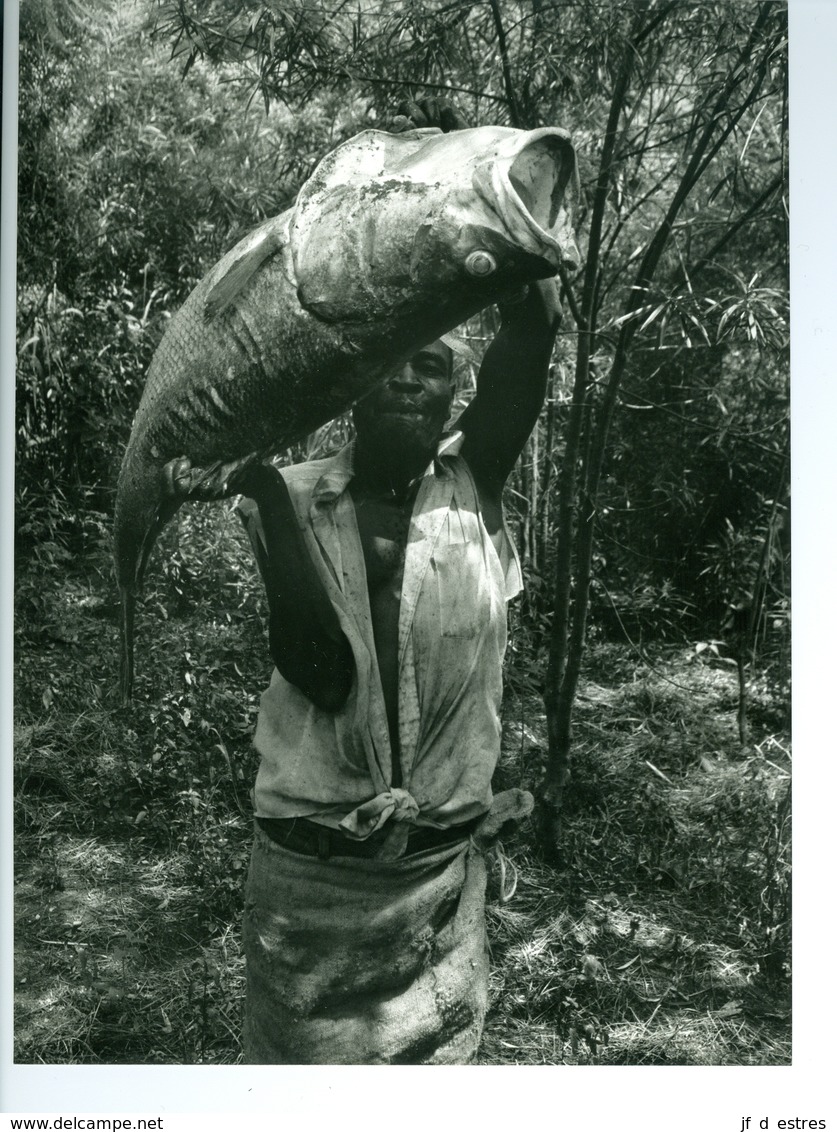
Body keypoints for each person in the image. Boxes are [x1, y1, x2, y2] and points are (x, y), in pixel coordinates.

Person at [165, 106, 564, 1064]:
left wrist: (470, 194)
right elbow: (319, 670)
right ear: (357, 386)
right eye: (390, 365)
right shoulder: (293, 495)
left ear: (452, 395)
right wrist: (259, 489)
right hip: (313, 891)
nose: (410, 382)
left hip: (433, 887)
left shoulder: (475, 481)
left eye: (432, 366)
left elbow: (533, 331)